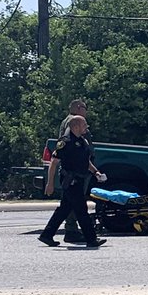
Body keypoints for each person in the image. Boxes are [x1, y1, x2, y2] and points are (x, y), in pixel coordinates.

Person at [39, 115, 107, 248]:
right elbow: (54, 163)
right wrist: (50, 183)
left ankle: (47, 235)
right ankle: (91, 239)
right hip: (70, 181)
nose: (86, 127)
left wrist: (96, 172)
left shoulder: (82, 141)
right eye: (84, 125)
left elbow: (85, 161)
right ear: (75, 126)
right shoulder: (65, 142)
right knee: (81, 209)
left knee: (64, 209)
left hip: (79, 179)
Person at [59, 99, 90, 243]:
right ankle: (72, 230)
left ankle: (48, 233)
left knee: (67, 204)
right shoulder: (73, 122)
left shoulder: (68, 120)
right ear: (79, 108)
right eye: (85, 108)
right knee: (75, 203)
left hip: (74, 170)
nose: (86, 111)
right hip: (74, 172)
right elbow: (71, 144)